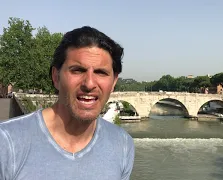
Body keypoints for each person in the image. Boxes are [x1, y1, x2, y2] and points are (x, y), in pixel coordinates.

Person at [0, 26, 135, 180]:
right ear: (56, 77)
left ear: (113, 82)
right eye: (77, 70)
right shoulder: (6, 142)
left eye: (100, 72)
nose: (89, 83)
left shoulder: (123, 144)